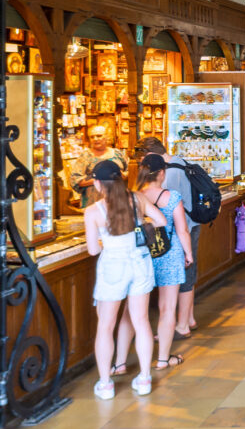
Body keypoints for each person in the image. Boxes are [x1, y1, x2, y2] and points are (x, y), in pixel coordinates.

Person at [84, 160, 165, 400]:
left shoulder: (94, 211)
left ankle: (106, 384)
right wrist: (143, 227)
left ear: (98, 184)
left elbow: (92, 251)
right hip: (140, 262)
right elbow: (160, 220)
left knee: (106, 326)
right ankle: (144, 379)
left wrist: (105, 240)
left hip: (113, 266)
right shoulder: (137, 200)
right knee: (141, 321)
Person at [112, 154, 194, 374]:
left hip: (142, 256)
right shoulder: (172, 197)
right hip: (169, 255)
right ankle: (162, 359)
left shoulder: (133, 197)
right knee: (167, 308)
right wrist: (188, 253)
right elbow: (182, 230)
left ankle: (119, 363)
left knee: (131, 311)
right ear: (162, 173)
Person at [133, 137, 198, 339]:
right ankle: (184, 323)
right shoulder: (180, 165)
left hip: (161, 244)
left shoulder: (138, 194)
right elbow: (180, 227)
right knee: (173, 295)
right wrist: (188, 252)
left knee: (162, 299)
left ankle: (181, 324)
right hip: (176, 243)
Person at [70, 124, 128, 207]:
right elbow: (75, 180)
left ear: (107, 137)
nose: (95, 139)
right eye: (92, 137)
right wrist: (100, 179)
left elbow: (130, 171)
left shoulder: (118, 154)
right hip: (93, 201)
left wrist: (124, 175)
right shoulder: (85, 156)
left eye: (99, 136)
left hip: (117, 200)